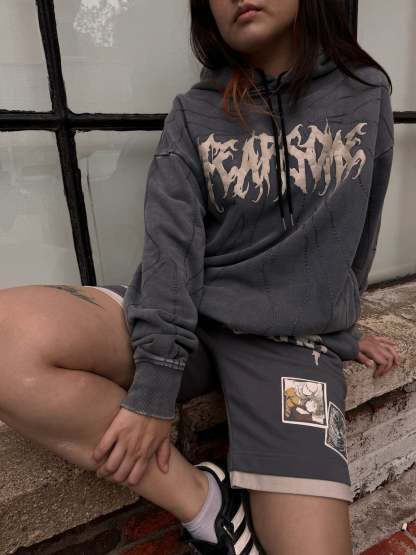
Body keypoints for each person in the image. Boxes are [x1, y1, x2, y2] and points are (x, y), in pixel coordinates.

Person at [0, 0, 401, 553]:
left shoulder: (365, 93)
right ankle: (208, 506)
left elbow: (357, 235)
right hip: (187, 319)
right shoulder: (194, 113)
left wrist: (340, 327)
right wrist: (154, 392)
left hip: (287, 348)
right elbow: (170, 252)